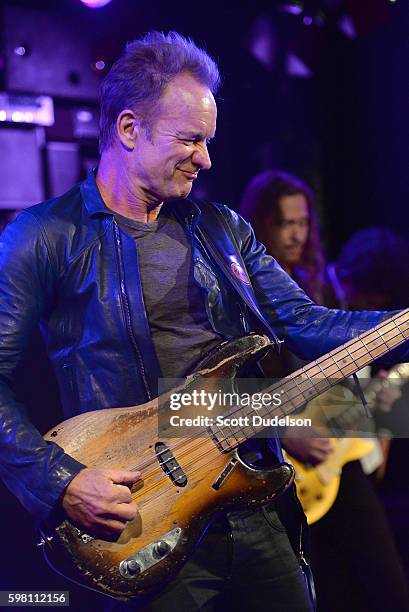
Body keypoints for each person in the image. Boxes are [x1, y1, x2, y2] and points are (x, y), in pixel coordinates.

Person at [0, 32, 407, 612]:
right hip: (148, 517)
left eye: (208, 141)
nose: (206, 159)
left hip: (254, 499)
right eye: (190, 140)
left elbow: (305, 323)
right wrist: (59, 480)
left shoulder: (223, 228)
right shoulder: (45, 236)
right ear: (128, 129)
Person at [239, 169, 409, 611]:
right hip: (287, 467)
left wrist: (385, 429)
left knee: (384, 587)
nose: (297, 234)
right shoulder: (243, 300)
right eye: (284, 223)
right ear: (261, 226)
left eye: (303, 222)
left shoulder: (323, 286)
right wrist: (284, 432)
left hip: (339, 460)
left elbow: (364, 375)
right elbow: (227, 390)